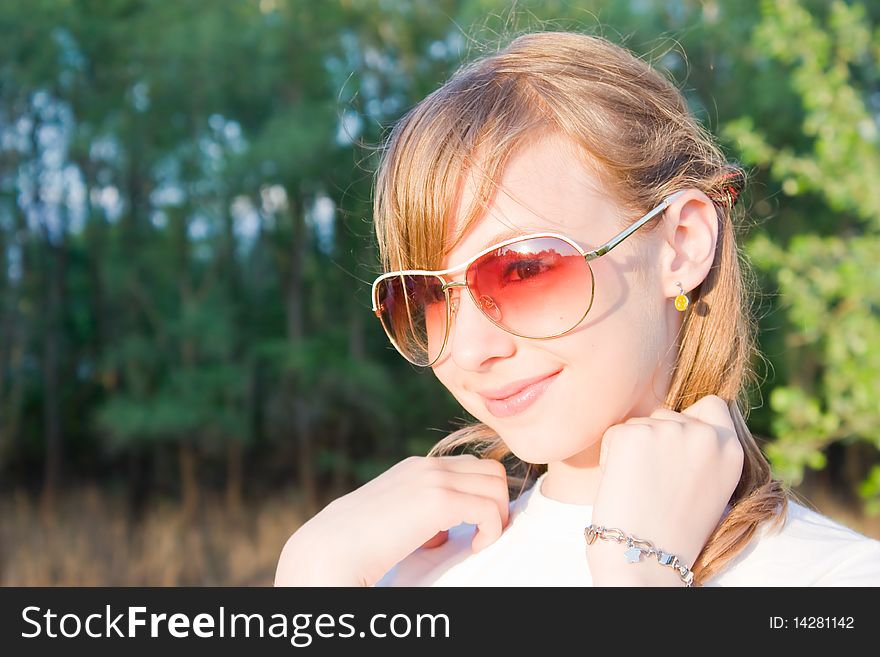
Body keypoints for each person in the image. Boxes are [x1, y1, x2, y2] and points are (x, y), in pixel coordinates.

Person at [275, 31, 880, 587]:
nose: (468, 350)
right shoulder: (397, 570)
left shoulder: (834, 579)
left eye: (525, 269)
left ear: (683, 244)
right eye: (426, 298)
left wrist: (637, 577)